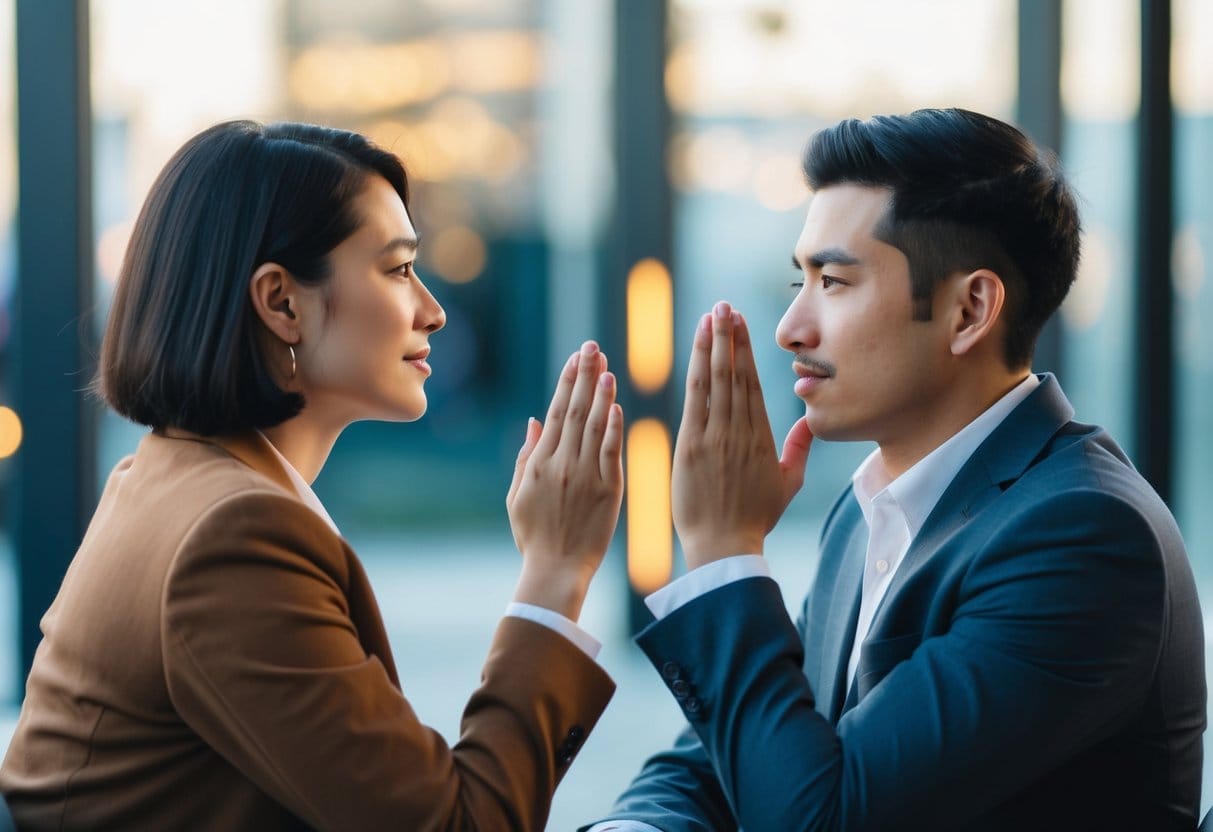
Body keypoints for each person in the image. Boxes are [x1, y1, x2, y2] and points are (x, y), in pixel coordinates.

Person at [588, 108, 1205, 831]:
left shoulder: (1082, 535)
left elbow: (818, 818)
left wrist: (725, 551)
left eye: (835, 282)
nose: (791, 328)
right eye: (801, 281)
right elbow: (735, 753)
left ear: (969, 309)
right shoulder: (866, 512)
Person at [0, 120, 625, 831]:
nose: (434, 309)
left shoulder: (168, 479)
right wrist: (555, 571)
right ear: (281, 303)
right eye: (397, 269)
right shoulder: (233, 537)